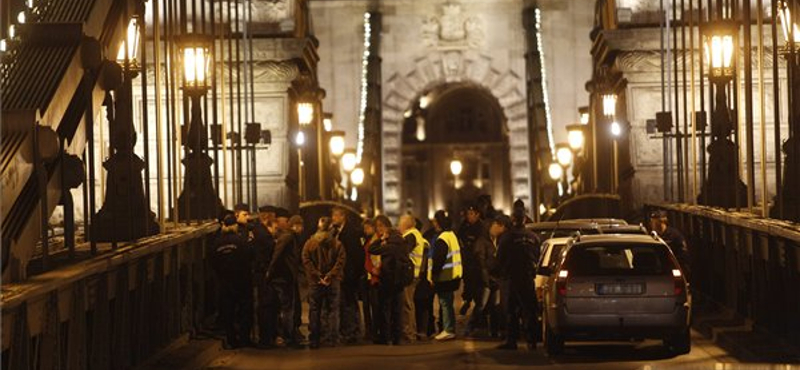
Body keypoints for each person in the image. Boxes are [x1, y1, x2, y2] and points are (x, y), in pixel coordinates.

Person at [496, 200, 540, 350]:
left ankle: (512, 340)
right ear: (525, 219)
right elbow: (537, 256)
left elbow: (500, 258)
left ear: (513, 219)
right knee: (529, 310)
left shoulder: (506, 238)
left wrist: (499, 273)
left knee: (511, 310)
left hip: (512, 278)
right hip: (527, 278)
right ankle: (532, 340)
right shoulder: (533, 237)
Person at [211, 214, 254, 349]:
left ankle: (231, 340)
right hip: (242, 280)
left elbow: (213, 262)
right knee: (245, 310)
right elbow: (249, 258)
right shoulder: (241, 241)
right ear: (235, 225)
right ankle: (244, 339)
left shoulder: (216, 243)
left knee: (228, 310)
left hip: (224, 281)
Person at [302, 217, 346, 349]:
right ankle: (333, 339)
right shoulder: (337, 244)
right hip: (332, 281)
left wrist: (317, 275)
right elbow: (341, 261)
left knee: (315, 309)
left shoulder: (310, 243)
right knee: (333, 309)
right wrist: (330, 275)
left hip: (315, 282)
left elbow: (306, 260)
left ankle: (315, 339)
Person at [368, 215, 409, 345]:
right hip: (399, 280)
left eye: (380, 226)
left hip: (388, 280)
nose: (378, 229)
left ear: (386, 228)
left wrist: (381, 239)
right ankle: (397, 338)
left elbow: (371, 249)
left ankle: (386, 337)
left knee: (386, 309)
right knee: (397, 310)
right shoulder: (401, 241)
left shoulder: (389, 244)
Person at [264, 210, 303, 348]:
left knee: (287, 308)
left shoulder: (289, 237)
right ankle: (288, 336)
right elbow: (277, 255)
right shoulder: (288, 237)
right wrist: (270, 271)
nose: (302, 229)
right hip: (284, 278)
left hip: (284, 277)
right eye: (300, 226)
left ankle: (288, 335)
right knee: (287, 309)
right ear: (295, 225)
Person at [465, 216, 502, 338]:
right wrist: (485, 279)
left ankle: (494, 330)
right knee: (481, 305)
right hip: (485, 279)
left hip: (495, 278)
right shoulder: (482, 242)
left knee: (495, 306)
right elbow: (480, 262)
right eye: (495, 226)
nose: (497, 229)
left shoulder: (496, 241)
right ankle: (469, 328)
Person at [331, 207, 365, 344]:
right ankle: (351, 331)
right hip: (344, 274)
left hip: (349, 275)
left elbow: (355, 255)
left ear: (342, 217)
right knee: (347, 303)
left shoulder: (350, 233)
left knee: (349, 304)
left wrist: (352, 274)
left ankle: (352, 332)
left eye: (335, 216)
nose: (333, 218)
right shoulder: (338, 231)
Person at [430, 210, 463, 341]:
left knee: (445, 303)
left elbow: (438, 259)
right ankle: (450, 328)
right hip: (454, 275)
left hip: (445, 276)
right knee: (448, 303)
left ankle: (448, 329)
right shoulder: (452, 235)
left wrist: (433, 275)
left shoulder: (442, 238)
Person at [398, 214, 429, 343]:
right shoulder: (416, 235)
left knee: (406, 305)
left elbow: (402, 252)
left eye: (400, 222)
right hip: (413, 275)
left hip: (408, 275)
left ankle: (408, 334)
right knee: (409, 304)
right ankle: (412, 331)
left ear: (406, 224)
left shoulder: (410, 236)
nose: (399, 225)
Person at [252, 205, 278, 347]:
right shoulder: (263, 234)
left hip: (262, 273)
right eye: (273, 216)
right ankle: (266, 338)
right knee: (266, 305)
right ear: (267, 217)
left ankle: (267, 337)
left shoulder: (258, 231)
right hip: (264, 274)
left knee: (267, 305)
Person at [457, 204, 484, 316]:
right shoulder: (464, 225)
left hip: (477, 262)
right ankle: (467, 300)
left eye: (471, 214)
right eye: (468, 213)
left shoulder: (481, 227)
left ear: (477, 215)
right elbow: (459, 237)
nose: (469, 216)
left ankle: (478, 311)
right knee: (468, 282)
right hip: (467, 260)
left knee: (477, 287)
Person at [650, 210, 690, 276]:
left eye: (654, 222)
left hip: (672, 270)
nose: (652, 224)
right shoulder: (652, 236)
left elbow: (683, 254)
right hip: (657, 271)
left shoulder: (674, 235)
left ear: (662, 222)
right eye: (652, 222)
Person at [362, 219, 380, 341]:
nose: (365, 231)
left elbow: (373, 259)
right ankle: (369, 331)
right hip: (367, 278)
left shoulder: (376, 241)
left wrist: (372, 269)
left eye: (367, 228)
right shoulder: (367, 240)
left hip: (374, 277)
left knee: (375, 306)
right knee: (366, 306)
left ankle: (374, 331)